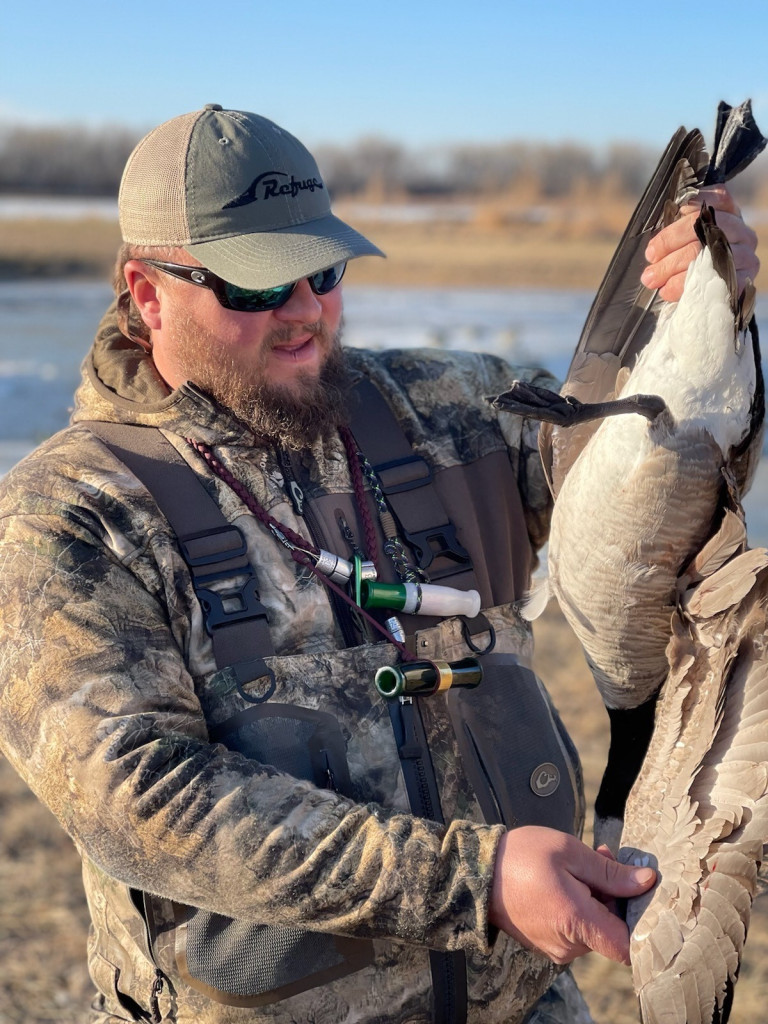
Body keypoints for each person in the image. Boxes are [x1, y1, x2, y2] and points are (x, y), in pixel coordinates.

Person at [0, 104, 758, 1024]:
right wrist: (473, 883)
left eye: (323, 271)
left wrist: (701, 316)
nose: (305, 312)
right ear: (146, 293)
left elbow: (648, 498)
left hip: (523, 1006)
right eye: (252, 287)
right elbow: (141, 799)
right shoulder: (70, 514)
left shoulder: (448, 406)